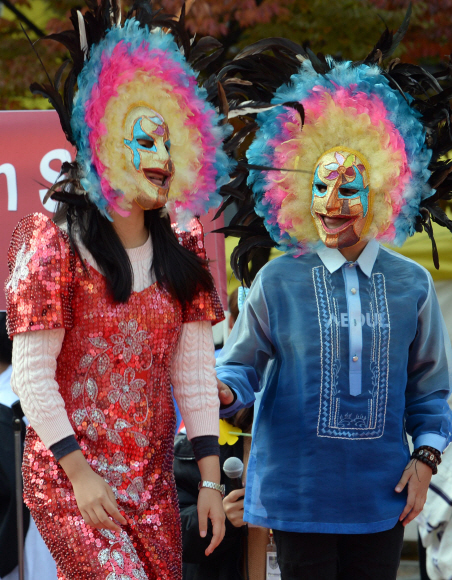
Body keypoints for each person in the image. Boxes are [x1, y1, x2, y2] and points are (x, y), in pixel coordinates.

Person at [215, 13, 452, 580]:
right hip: (296, 498)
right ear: (296, 190)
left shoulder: (412, 284)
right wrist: (221, 390)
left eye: (350, 187)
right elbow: (241, 369)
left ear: (385, 190)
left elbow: (431, 391)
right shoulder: (276, 280)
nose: (332, 201)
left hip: (381, 501)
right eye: (320, 185)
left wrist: (424, 461)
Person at [5, 2, 235, 579]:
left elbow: (195, 375)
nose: (162, 158)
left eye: (168, 145)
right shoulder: (55, 243)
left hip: (153, 482)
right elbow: (31, 376)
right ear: (105, 149)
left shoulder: (181, 247)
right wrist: (79, 474)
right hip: (70, 477)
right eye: (144, 142)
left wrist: (208, 478)